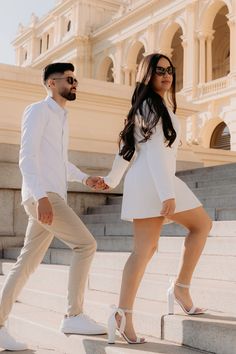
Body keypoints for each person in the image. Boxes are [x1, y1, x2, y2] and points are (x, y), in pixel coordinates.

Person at [93, 53, 212, 344]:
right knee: (145, 250)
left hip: (155, 180)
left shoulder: (152, 105)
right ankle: (124, 313)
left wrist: (111, 179)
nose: (166, 74)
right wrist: (166, 194)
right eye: (159, 70)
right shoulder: (149, 105)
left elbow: (127, 147)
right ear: (147, 74)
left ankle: (177, 290)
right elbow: (154, 151)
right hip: (153, 182)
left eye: (170, 70)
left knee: (196, 228)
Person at [0, 62, 106, 351]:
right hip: (43, 196)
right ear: (51, 83)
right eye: (70, 79)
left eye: (76, 81)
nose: (74, 84)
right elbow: (27, 157)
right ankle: (73, 314)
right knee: (86, 245)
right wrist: (40, 196)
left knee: (26, 263)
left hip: (49, 195)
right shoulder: (37, 111)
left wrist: (85, 178)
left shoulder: (62, 117)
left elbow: (59, 161)